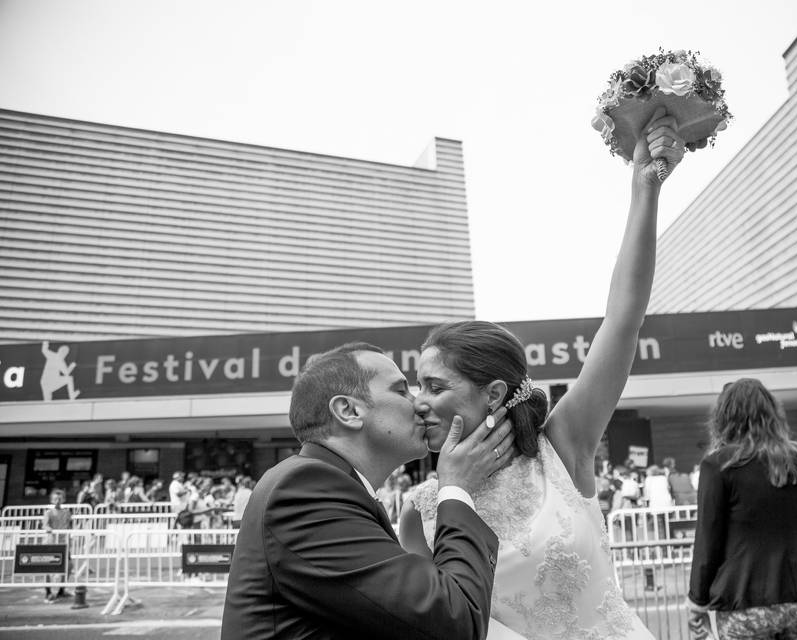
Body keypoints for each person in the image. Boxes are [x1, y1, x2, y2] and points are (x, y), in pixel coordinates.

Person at [398, 107, 685, 640]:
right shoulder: (420, 512)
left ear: (494, 393)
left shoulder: (562, 448)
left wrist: (646, 188)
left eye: (436, 386)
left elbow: (623, 320)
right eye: (417, 385)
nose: (418, 400)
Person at [221, 342, 517, 640]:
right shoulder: (303, 490)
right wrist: (456, 489)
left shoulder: (328, 486)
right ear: (348, 411)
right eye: (401, 391)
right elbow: (456, 621)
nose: (419, 404)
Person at [688, 378, 797, 639]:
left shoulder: (718, 465)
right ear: (773, 413)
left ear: (724, 418)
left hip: (746, 600)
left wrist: (697, 601)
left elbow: (708, 539)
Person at [42, 489, 72, 602]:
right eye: (55, 499)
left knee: (69, 565)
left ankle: (61, 590)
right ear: (51, 500)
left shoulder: (67, 512)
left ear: (63, 499)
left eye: (60, 499)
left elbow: (69, 525)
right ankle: (48, 592)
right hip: (51, 543)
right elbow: (45, 525)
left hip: (64, 543)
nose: (58, 501)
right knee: (48, 568)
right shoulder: (48, 512)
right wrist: (50, 529)